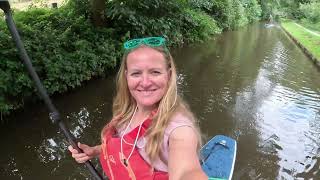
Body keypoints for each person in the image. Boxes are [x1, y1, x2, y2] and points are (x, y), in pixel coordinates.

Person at [68, 37, 208, 180]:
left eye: (155, 72)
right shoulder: (126, 114)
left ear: (169, 75)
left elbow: (188, 172)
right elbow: (122, 146)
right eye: (136, 73)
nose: (145, 82)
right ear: (126, 76)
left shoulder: (179, 130)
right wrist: (94, 151)